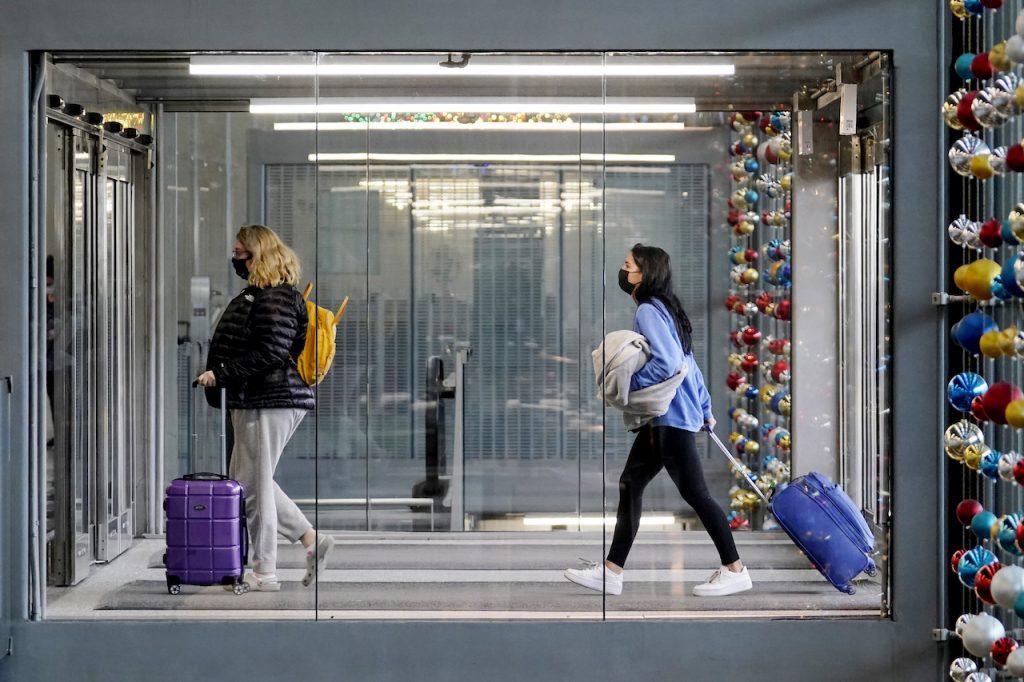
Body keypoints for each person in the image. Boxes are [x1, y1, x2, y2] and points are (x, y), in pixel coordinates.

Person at [564, 244, 751, 597]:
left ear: (644, 274)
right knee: (631, 484)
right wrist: (705, 408)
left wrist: (628, 386)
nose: (623, 271)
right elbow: (689, 366)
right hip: (674, 415)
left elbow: (668, 364)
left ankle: (735, 568)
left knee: (695, 494)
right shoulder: (668, 309)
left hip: (668, 417)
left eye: (627, 265)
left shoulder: (649, 311)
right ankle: (611, 571)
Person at [195, 224, 333, 592]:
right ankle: (309, 540)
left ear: (260, 255)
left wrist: (220, 373)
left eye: (242, 253)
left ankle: (265, 571)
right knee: (249, 482)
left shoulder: (277, 298)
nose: (236, 259)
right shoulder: (259, 294)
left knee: (253, 485)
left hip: (271, 399)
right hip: (256, 398)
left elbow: (271, 353)